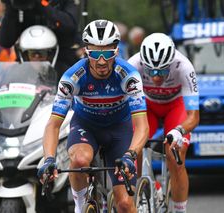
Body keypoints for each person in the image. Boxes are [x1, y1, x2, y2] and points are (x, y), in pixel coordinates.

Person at [37, 19, 149, 213]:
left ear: (116, 50)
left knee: (124, 204)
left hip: (119, 130)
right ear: (86, 51)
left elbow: (141, 126)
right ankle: (80, 207)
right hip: (86, 127)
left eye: (107, 52)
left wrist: (130, 155)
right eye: (96, 53)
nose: (102, 61)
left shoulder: (128, 76)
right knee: (80, 160)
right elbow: (53, 125)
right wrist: (48, 159)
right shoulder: (72, 77)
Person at [128, 33, 200, 213]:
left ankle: (179, 209)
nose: (156, 76)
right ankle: (152, 188)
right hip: (147, 106)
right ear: (144, 64)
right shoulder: (133, 65)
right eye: (151, 71)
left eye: (162, 71)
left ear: (171, 63)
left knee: (175, 154)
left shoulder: (184, 67)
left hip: (176, 106)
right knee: (132, 148)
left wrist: (179, 131)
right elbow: (121, 105)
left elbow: (193, 117)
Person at [0, 0, 80, 76]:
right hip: (26, 63)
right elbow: (5, 41)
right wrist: (11, 8)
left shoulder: (63, 2)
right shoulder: (19, 6)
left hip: (60, 61)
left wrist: (41, 4)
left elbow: (69, 25)